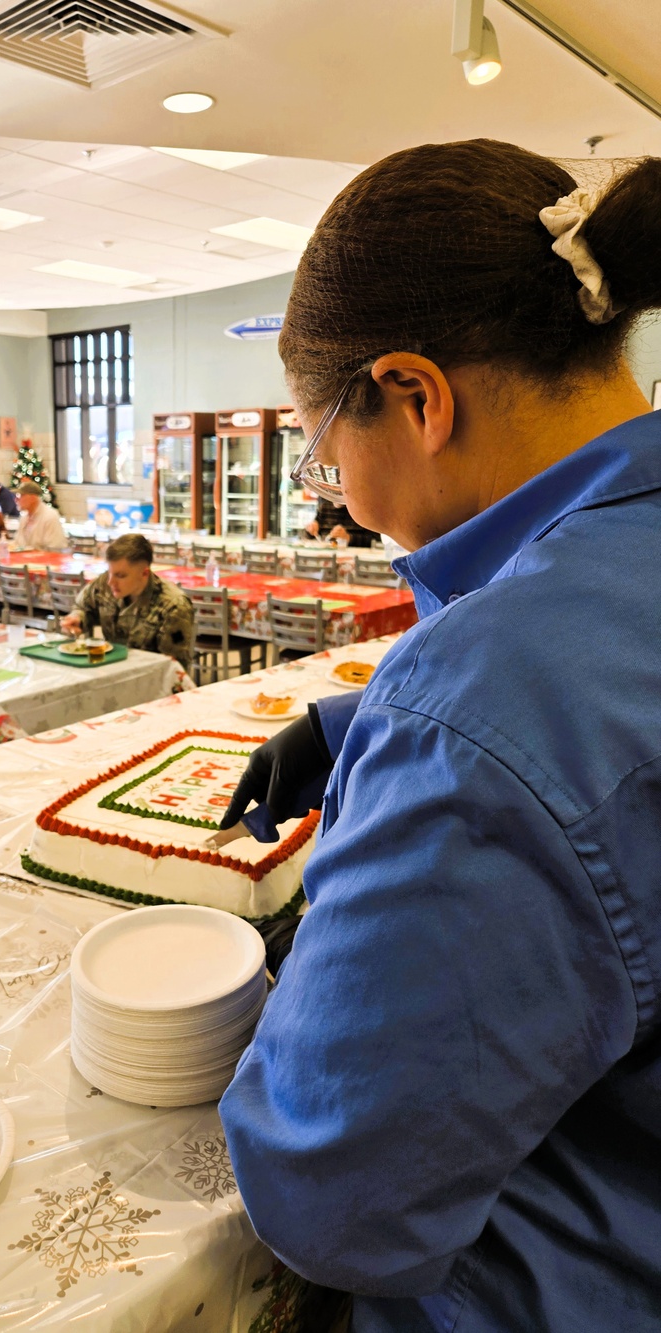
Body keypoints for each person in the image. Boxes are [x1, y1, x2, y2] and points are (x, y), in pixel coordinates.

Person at [217, 139, 661, 1333]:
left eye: (325, 456)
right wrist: (360, 725)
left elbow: (333, 1196)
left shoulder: (475, 709)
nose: (345, 503)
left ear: (415, 396)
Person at [60, 533, 195, 670]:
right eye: (109, 573)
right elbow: (83, 607)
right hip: (109, 668)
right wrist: (77, 618)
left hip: (147, 676)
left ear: (144, 573)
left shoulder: (173, 606)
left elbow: (172, 668)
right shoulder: (104, 584)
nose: (110, 582)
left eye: (120, 576)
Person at [13, 481, 67, 551]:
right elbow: (17, 544)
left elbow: (55, 548)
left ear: (32, 498)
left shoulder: (50, 516)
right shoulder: (24, 517)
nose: (16, 500)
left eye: (20, 496)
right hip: (25, 557)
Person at [303, 497, 375, 546]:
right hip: (327, 555)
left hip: (354, 557)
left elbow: (374, 540)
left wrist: (348, 537)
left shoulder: (360, 509)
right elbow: (310, 536)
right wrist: (310, 530)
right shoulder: (325, 507)